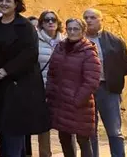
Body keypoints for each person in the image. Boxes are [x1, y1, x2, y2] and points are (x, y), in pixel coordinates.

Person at [0, 0, 50, 157]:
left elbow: (29, 54)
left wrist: (6, 70)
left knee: (14, 131)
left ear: (16, 4)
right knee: (2, 130)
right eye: (0, 0)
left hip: (19, 86)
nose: (3, 4)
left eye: (8, 1)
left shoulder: (25, 26)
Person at [45, 17, 100, 157]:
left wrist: (76, 100)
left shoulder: (88, 51)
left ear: (82, 31)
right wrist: (51, 93)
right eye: (69, 29)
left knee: (83, 140)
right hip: (61, 103)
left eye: (76, 29)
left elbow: (91, 81)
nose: (72, 32)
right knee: (64, 138)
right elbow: (52, 73)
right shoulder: (60, 48)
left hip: (80, 105)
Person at [83, 8, 127, 157]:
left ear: (101, 20)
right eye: (86, 17)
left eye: (93, 17)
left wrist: (115, 82)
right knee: (89, 131)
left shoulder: (115, 41)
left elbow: (124, 66)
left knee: (115, 131)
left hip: (108, 89)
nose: (89, 20)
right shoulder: (78, 41)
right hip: (86, 90)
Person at [34, 10, 64, 157]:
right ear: (42, 24)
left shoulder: (65, 42)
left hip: (62, 90)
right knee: (44, 127)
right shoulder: (35, 41)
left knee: (66, 126)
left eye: (53, 20)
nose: (51, 22)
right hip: (43, 89)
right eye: (47, 20)